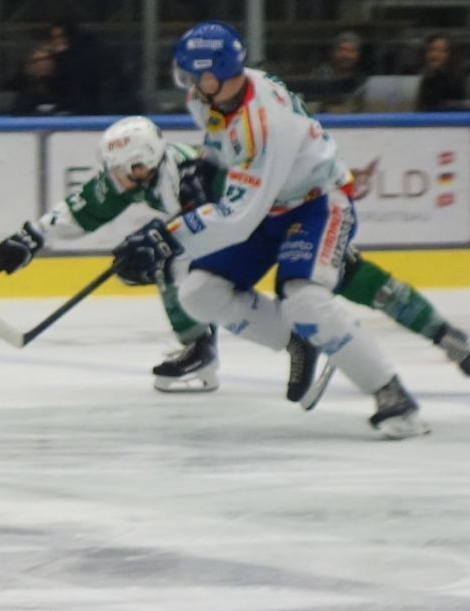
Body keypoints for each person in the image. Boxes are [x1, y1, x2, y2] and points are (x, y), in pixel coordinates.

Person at [0, 115, 470, 393]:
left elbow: (235, 210)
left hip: (287, 220)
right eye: (118, 172)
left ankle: (447, 336)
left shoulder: (196, 172)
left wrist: (166, 237)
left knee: (357, 281)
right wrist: (30, 238)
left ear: (148, 162)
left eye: (127, 171)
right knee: (177, 269)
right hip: (240, 237)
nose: (119, 181)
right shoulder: (136, 176)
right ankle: (207, 349)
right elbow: (84, 207)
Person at [106, 22, 430, 438]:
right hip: (271, 205)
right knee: (198, 293)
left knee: (306, 300)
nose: (187, 84)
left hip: (316, 203)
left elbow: (238, 216)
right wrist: (206, 164)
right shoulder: (210, 95)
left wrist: (167, 238)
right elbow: (222, 141)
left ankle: (392, 394)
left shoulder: (264, 124)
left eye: (192, 75)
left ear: (213, 75)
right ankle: (298, 339)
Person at [308, 31, 370, 112]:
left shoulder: (362, 79)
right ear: (333, 52)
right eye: (342, 50)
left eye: (352, 51)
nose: (347, 55)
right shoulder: (320, 75)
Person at [416, 33, 469, 110]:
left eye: (442, 51)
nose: (435, 54)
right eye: (432, 49)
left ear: (450, 54)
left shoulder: (457, 79)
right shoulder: (416, 74)